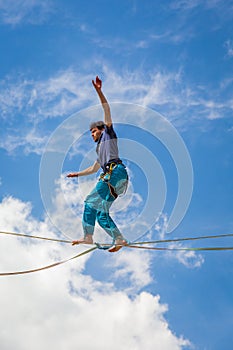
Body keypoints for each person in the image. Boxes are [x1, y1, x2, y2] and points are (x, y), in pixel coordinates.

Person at [67, 76, 128, 252]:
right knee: (101, 214)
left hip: (115, 173)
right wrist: (76, 174)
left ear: (102, 130)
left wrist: (99, 91)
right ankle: (119, 239)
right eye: (91, 133)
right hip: (115, 180)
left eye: (94, 131)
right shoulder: (98, 151)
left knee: (89, 201)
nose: (92, 134)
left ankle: (88, 236)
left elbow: (106, 109)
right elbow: (94, 168)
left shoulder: (108, 134)